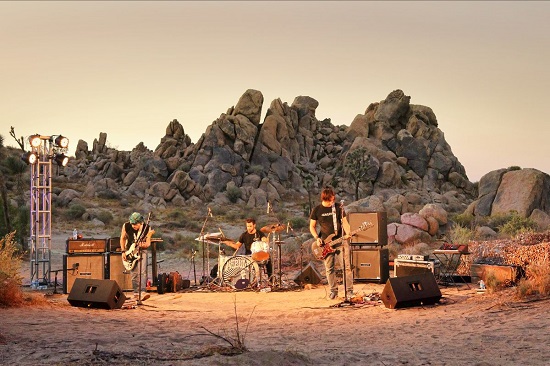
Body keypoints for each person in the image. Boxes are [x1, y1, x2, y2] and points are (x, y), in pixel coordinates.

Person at [309, 187, 354, 300]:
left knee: (346, 267)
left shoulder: (338, 207)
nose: (332, 202)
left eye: (333, 200)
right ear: (325, 199)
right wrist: (316, 238)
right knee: (329, 268)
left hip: (340, 240)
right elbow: (312, 226)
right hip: (325, 243)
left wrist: (348, 233)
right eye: (330, 200)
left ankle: (349, 291)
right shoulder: (317, 210)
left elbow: (344, 222)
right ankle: (333, 291)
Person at [120, 212, 155, 299]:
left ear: (141, 223)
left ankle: (142, 292)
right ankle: (136, 293)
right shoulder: (126, 226)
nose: (133, 226)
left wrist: (148, 238)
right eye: (132, 224)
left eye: (135, 224)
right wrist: (123, 251)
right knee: (134, 273)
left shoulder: (146, 228)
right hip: (129, 251)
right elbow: (122, 238)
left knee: (142, 272)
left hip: (142, 251)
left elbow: (147, 243)